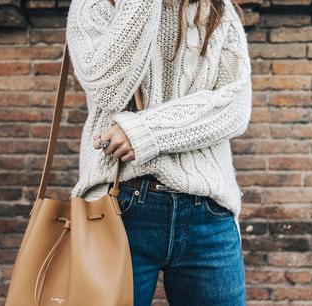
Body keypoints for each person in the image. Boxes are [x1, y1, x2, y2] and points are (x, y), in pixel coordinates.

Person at [66, 0, 252, 304]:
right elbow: (109, 92)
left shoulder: (217, 8)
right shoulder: (94, 5)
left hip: (207, 214)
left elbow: (234, 107)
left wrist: (146, 131)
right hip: (118, 208)